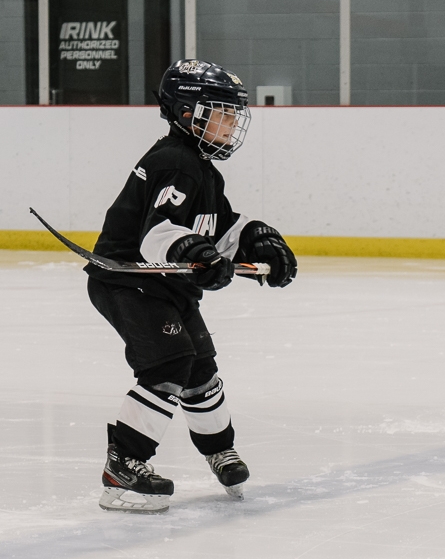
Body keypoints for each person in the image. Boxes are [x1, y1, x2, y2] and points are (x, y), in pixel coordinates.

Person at [86, 59, 298, 513]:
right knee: (171, 363)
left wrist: (255, 238)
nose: (231, 122)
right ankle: (122, 468)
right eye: (221, 112)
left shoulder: (201, 168)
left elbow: (217, 225)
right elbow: (156, 234)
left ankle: (219, 450)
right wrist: (197, 254)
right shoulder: (173, 164)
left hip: (168, 283)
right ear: (187, 112)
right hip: (131, 281)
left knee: (200, 369)